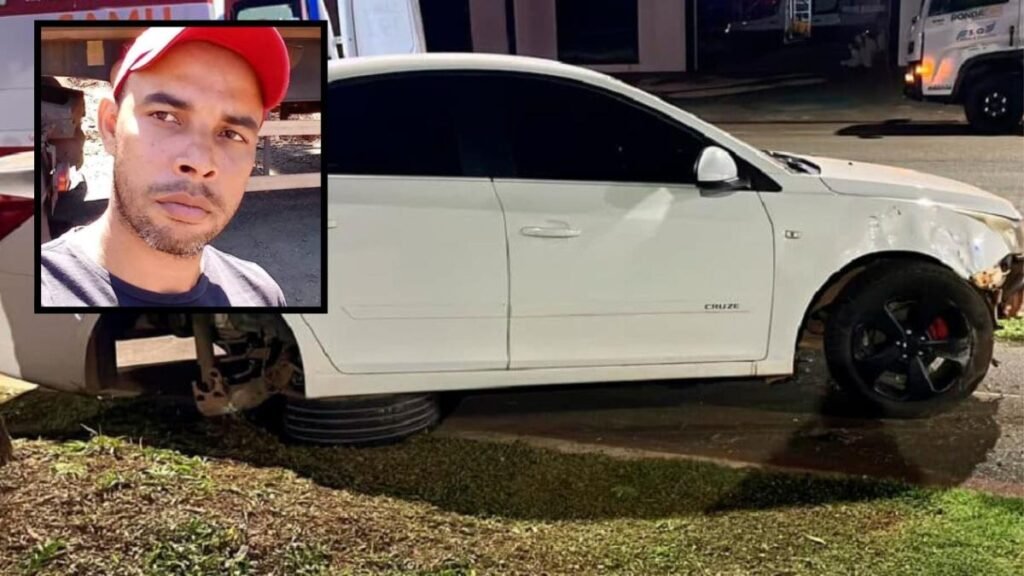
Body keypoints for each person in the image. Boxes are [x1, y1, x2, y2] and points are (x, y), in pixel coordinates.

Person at [41, 26, 291, 307]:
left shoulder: (261, 296)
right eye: (165, 116)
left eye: (231, 134)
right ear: (110, 127)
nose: (200, 163)